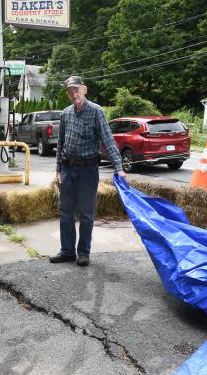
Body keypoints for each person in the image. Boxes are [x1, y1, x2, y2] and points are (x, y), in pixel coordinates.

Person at [50, 75, 125, 267]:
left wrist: (119, 167)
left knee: (86, 213)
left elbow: (108, 140)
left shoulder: (96, 111)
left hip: (88, 170)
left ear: (84, 89)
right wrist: (58, 169)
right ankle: (67, 251)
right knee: (65, 211)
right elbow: (60, 144)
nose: (73, 93)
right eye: (69, 91)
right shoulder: (65, 113)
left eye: (76, 89)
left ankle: (83, 252)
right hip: (68, 168)